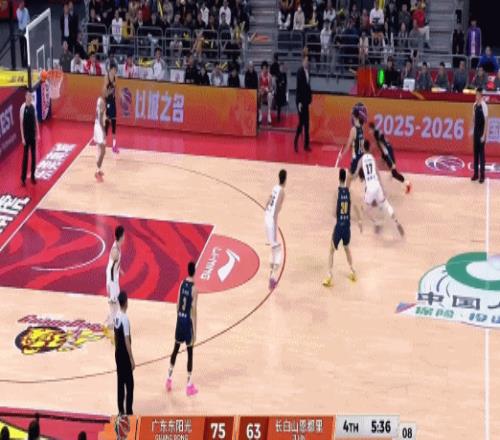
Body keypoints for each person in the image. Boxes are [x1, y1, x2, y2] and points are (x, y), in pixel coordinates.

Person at [356, 140, 405, 236]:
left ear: (363, 148)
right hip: (377, 185)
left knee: (364, 210)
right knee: (386, 205)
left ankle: (376, 223)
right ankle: (396, 221)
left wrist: (361, 176)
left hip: (370, 188)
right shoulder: (372, 158)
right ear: (369, 148)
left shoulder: (361, 160)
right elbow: (377, 173)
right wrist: (382, 187)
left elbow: (358, 173)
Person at [323, 168, 360, 288]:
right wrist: (359, 220)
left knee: (331, 250)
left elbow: (334, 213)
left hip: (339, 226)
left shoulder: (336, 193)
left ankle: (329, 276)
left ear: (339, 178)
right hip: (347, 227)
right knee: (347, 248)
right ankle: (353, 271)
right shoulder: (350, 192)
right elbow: (355, 207)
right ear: (345, 178)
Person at [166, 262, 199, 396]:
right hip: (188, 322)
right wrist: (194, 328)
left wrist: (179, 317)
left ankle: (168, 378)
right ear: (194, 271)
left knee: (175, 349)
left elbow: (178, 303)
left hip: (180, 319)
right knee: (190, 353)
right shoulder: (194, 288)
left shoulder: (182, 284)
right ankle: (189, 385)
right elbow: (194, 310)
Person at [368, 123, 412, 193]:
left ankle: (407, 183)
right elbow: (380, 143)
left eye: (369, 130)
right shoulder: (377, 132)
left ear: (372, 129)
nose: (369, 132)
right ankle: (376, 184)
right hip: (386, 152)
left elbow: (383, 147)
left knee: (394, 173)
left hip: (387, 153)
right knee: (376, 166)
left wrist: (391, 162)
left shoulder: (376, 134)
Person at [264, 169, 287, 290]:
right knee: (278, 251)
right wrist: (274, 223)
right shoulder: (282, 192)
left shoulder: (275, 188)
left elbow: (267, 202)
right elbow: (277, 208)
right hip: (272, 221)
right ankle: (272, 278)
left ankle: (271, 274)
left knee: (273, 248)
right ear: (285, 179)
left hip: (266, 218)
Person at [114, 291, 135, 415]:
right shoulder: (125, 319)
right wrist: (131, 358)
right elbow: (127, 340)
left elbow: (116, 335)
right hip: (124, 355)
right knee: (130, 384)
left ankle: (120, 410)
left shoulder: (116, 316)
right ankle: (129, 411)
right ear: (126, 302)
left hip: (117, 353)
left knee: (120, 382)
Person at [104, 225, 125, 340]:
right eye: (124, 235)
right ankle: (109, 324)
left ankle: (111, 321)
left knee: (116, 302)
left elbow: (114, 264)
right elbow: (111, 266)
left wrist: (119, 270)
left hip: (114, 278)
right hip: (112, 280)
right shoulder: (115, 250)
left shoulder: (117, 246)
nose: (125, 237)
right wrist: (111, 284)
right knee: (114, 302)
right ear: (121, 237)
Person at [19, 90, 39, 187]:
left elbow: (36, 120)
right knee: (25, 157)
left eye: (31, 96)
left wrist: (38, 133)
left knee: (34, 157)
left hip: (32, 135)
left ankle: (33, 176)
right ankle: (23, 178)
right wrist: (22, 137)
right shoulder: (23, 108)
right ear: (25, 97)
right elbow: (21, 124)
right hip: (26, 136)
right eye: (29, 96)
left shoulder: (33, 106)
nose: (30, 98)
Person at [344, 102, 367, 184]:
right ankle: (361, 176)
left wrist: (342, 155)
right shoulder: (361, 128)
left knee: (349, 177)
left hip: (357, 158)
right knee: (358, 176)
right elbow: (362, 144)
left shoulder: (353, 130)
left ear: (353, 116)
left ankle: (346, 191)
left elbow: (348, 145)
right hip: (362, 156)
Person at [294, 56, 312, 152]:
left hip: (306, 101)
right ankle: (295, 141)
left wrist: (309, 99)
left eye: (307, 61)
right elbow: (299, 87)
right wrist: (300, 102)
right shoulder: (300, 72)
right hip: (300, 101)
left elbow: (308, 87)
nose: (307, 62)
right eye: (305, 61)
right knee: (301, 123)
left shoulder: (308, 72)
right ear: (302, 61)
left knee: (307, 123)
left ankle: (306, 145)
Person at [471, 88, 488, 184]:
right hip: (476, 132)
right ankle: (475, 174)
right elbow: (474, 119)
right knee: (475, 154)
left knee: (481, 155)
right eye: (475, 95)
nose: (476, 96)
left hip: (481, 132)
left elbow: (486, 122)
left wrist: (484, 135)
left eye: (477, 95)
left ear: (481, 96)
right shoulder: (474, 105)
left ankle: (482, 175)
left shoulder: (484, 106)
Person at [104, 64, 119, 153]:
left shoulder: (115, 78)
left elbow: (114, 89)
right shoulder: (106, 77)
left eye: (116, 70)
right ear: (111, 69)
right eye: (114, 69)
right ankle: (103, 144)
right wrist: (111, 88)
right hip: (108, 102)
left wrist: (113, 88)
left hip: (113, 102)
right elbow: (106, 92)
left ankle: (114, 146)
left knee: (114, 123)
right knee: (107, 123)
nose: (115, 71)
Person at [93, 90, 107, 181]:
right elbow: (101, 119)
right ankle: (97, 173)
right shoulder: (102, 103)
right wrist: (103, 131)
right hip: (99, 127)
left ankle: (98, 170)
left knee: (98, 149)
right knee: (103, 150)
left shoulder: (99, 99)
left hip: (96, 125)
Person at [16, 1, 30, 68]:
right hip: (21, 31)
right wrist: (22, 11)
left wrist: (28, 23)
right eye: (21, 3)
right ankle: (22, 64)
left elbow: (28, 18)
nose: (23, 4)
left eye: (23, 3)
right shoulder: (18, 11)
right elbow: (20, 20)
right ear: (19, 4)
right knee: (22, 47)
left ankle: (27, 62)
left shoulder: (26, 10)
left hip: (26, 29)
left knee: (26, 47)